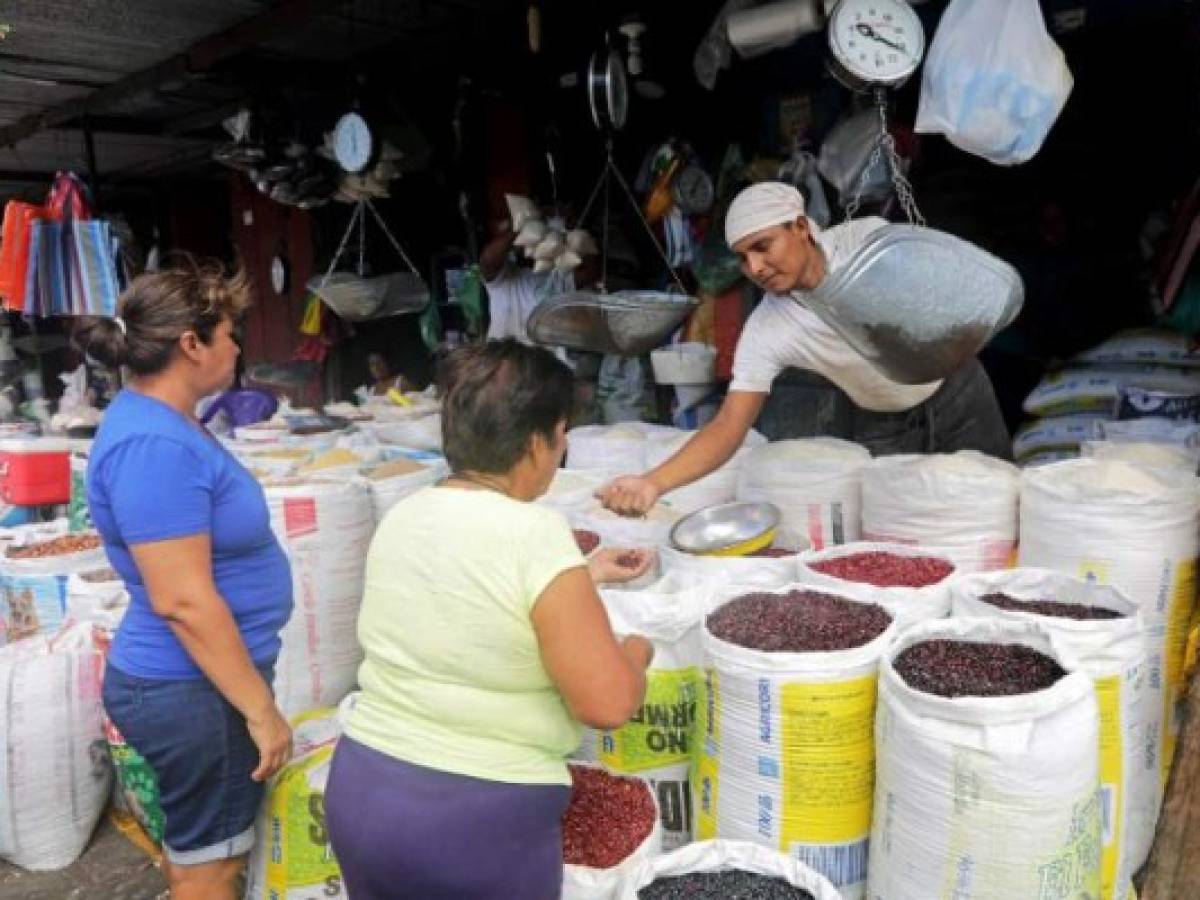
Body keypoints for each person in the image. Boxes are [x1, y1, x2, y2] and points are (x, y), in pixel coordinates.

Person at [325, 339, 655, 900]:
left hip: (362, 791)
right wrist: (636, 652)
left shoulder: (407, 513)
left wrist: (582, 576)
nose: (563, 445)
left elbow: (469, 600)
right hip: (475, 823)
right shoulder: (536, 533)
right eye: (561, 431)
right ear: (534, 443)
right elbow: (608, 704)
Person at [77, 263, 294, 900]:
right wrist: (260, 711)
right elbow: (182, 600)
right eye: (229, 333)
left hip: (196, 685)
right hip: (194, 689)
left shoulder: (167, 425)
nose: (237, 348)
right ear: (191, 344)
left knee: (199, 846)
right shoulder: (154, 445)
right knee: (213, 867)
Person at [599, 182, 1012, 516]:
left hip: (960, 391)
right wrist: (653, 483)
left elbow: (944, 284)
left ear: (800, 227)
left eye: (762, 246)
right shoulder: (768, 329)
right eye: (743, 258)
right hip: (884, 423)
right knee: (912, 529)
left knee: (999, 504)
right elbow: (728, 426)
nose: (754, 269)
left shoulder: (865, 242)